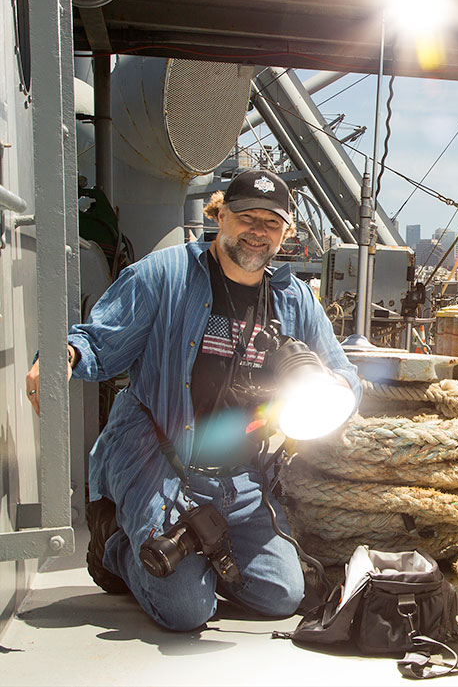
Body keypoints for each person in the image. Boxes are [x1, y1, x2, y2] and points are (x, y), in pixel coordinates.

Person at [24, 169, 362, 631]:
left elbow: (342, 373)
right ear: (220, 213)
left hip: (240, 475)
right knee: (186, 612)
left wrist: (337, 389)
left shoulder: (293, 299)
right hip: (159, 462)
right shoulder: (164, 275)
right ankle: (117, 546)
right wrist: (63, 356)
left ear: (285, 232)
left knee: (282, 595)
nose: (258, 231)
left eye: (272, 222)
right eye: (246, 217)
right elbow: (100, 342)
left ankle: (196, 552)